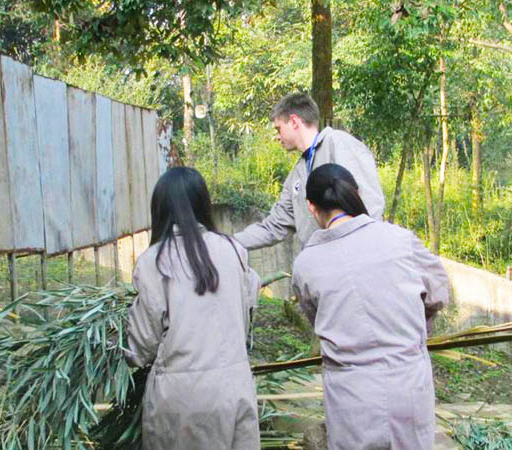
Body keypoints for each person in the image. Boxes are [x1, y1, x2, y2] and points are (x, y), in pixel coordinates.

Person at [291, 163, 449, 450]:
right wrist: (414, 324)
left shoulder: (306, 264)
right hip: (408, 386)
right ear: (357, 193)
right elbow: (438, 293)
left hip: (352, 396)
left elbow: (317, 319)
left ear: (311, 207)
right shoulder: (399, 239)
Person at [125, 167, 262, 450]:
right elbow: (248, 304)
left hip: (180, 401)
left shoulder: (154, 261)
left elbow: (141, 348)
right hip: (235, 389)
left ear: (160, 210)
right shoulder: (234, 250)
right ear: (203, 204)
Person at [234, 93, 385, 252]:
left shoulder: (338, 143)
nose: (277, 137)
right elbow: (275, 225)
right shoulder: (297, 174)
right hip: (319, 265)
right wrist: (228, 243)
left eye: (279, 129)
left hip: (355, 257)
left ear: (294, 121)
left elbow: (370, 205)